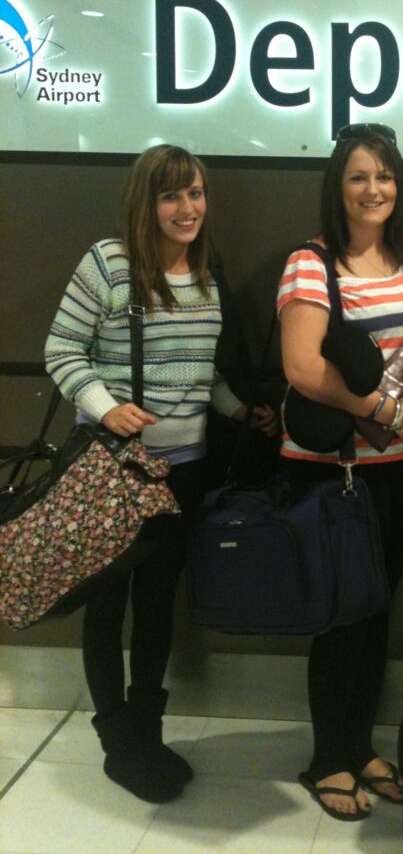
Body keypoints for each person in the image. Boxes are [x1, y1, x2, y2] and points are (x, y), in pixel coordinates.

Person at [44, 144, 276, 803]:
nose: (186, 207)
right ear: (145, 203)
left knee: (155, 605)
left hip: (183, 473)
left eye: (195, 193)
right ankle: (115, 736)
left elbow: (203, 377)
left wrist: (239, 411)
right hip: (115, 470)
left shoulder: (206, 275)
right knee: (106, 603)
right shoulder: (108, 263)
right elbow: (61, 348)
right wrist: (106, 407)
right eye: (170, 195)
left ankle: (146, 728)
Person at [278, 123, 403, 821]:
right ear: (337, 186)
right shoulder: (311, 263)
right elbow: (302, 368)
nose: (373, 189)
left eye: (384, 175)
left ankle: (360, 745)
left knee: (378, 611)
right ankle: (327, 759)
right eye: (358, 176)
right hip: (337, 474)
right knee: (342, 616)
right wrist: (385, 410)